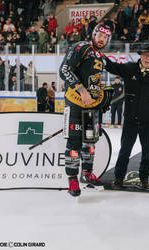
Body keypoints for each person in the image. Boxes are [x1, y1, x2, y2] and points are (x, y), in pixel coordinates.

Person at [104, 44, 149, 190]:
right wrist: (98, 56)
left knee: (147, 152)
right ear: (140, 56)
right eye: (145, 55)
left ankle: (144, 178)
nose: (147, 58)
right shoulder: (129, 68)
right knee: (125, 150)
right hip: (130, 119)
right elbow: (111, 66)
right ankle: (119, 178)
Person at [59, 24, 114, 197]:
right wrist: (82, 90)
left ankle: (86, 174)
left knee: (90, 143)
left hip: (92, 106)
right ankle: (72, 180)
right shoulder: (81, 47)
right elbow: (64, 69)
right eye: (99, 35)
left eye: (105, 38)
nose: (102, 39)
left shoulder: (101, 57)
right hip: (75, 103)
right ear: (93, 34)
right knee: (74, 144)